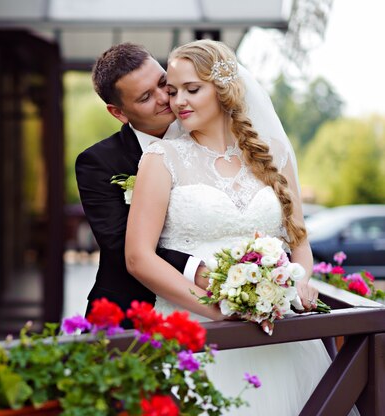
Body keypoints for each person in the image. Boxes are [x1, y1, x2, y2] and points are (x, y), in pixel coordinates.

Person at [125, 39, 359, 415]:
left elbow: (297, 236)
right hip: (195, 332)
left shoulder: (272, 155)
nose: (178, 101)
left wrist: (300, 279)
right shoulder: (160, 158)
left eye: (192, 89)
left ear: (222, 89)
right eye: (173, 91)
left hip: (277, 331)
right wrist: (216, 309)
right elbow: (138, 257)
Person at [75, 43, 205, 327]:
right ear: (118, 113)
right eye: (146, 97)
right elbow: (121, 245)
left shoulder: (208, 135)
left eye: (163, 83)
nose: (164, 98)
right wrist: (198, 270)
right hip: (133, 312)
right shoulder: (97, 163)